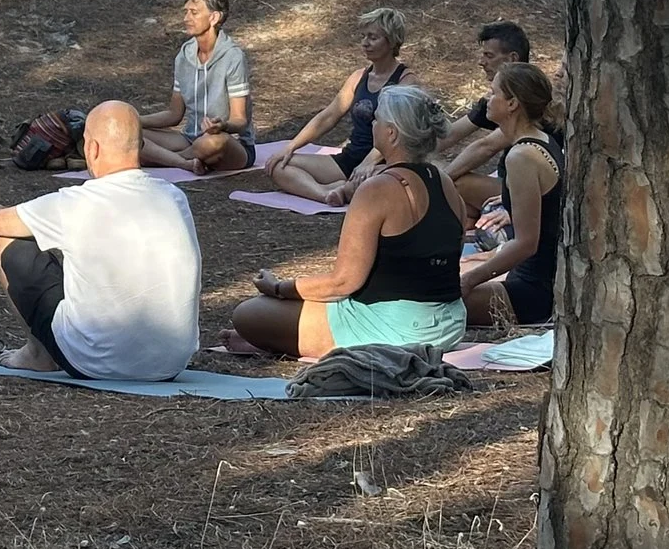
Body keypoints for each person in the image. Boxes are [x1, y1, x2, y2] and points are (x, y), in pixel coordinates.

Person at [229, 85, 471, 358]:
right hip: (450, 324)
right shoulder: (446, 183)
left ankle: (280, 338)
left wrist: (279, 288)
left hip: (400, 328)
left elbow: (344, 283)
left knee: (249, 313)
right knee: (277, 315)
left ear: (391, 133)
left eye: (377, 119)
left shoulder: (377, 189)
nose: (372, 123)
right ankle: (280, 338)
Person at [0, 101, 202, 380]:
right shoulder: (175, 197)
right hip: (170, 364)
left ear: (91, 149)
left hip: (91, 361)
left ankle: (38, 355)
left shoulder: (75, 203)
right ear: (141, 146)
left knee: (8, 240)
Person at [262, 9, 411, 206]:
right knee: (279, 165)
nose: (365, 43)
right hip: (350, 159)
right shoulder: (359, 77)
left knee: (374, 185)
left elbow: (402, 131)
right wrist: (290, 147)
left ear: (391, 42)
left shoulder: (406, 81)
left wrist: (369, 162)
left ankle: (345, 190)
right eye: (363, 36)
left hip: (383, 163)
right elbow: (329, 116)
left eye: (373, 37)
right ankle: (325, 194)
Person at [459, 63, 564, 331]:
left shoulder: (522, 157)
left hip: (532, 292)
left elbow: (527, 243)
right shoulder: (539, 140)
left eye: (493, 93)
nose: (487, 99)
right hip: (535, 277)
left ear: (512, 104)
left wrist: (470, 281)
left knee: (431, 300)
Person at [140, 0, 253, 174]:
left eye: (194, 12)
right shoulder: (184, 56)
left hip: (228, 142)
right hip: (190, 139)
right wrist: (135, 120)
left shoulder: (233, 57)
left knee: (211, 143)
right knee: (132, 135)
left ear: (214, 17)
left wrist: (223, 126)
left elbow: (240, 120)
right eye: (186, 12)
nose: (186, 19)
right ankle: (182, 160)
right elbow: (174, 115)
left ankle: (167, 159)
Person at [440, 21, 533, 213]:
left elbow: (486, 147)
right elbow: (449, 135)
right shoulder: (496, 99)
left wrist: (440, 181)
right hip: (505, 179)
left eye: (489, 56)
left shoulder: (526, 97)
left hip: (531, 192)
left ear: (512, 59)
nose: (481, 62)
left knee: (456, 186)